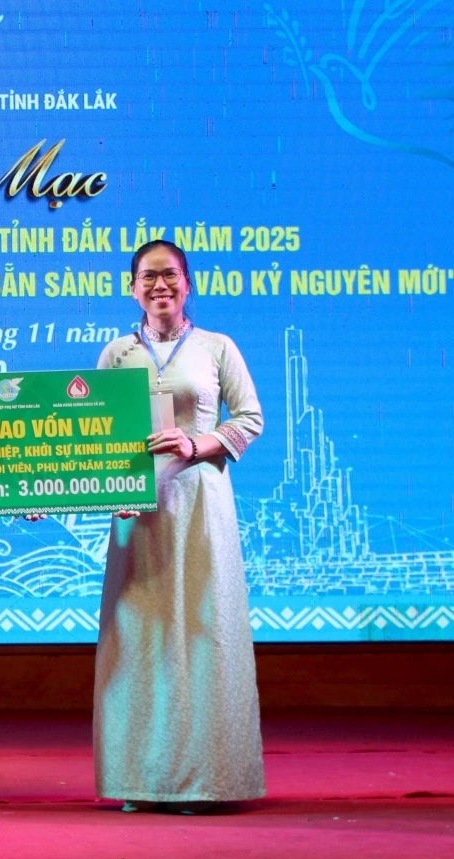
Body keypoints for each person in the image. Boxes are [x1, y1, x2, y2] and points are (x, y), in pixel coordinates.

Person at [93, 239, 266, 814]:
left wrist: (195, 444)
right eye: (147, 276)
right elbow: (94, 433)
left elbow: (250, 418)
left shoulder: (217, 347)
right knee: (139, 640)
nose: (159, 285)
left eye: (169, 274)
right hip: (135, 516)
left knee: (201, 635)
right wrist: (104, 488)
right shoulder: (116, 353)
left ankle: (204, 781)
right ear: (132, 288)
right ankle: (140, 780)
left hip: (199, 507)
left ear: (188, 283)